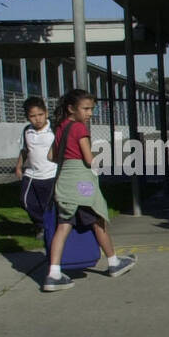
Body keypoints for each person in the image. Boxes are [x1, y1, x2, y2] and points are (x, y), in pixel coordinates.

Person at [41, 89, 137, 293]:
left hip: (64, 182)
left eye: (91, 109)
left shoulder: (60, 129)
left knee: (63, 225)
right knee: (98, 221)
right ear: (71, 109)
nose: (90, 113)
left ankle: (54, 273)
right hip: (82, 183)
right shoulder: (79, 128)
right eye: (85, 109)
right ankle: (113, 262)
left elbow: (51, 156)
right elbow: (87, 158)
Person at [14, 96, 54, 233]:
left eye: (40, 115)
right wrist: (19, 166)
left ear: (46, 113)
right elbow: (25, 150)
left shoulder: (54, 129)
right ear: (27, 117)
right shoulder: (27, 131)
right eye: (33, 116)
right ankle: (40, 224)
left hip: (51, 174)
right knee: (26, 201)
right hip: (32, 174)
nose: (38, 119)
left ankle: (50, 227)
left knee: (48, 204)